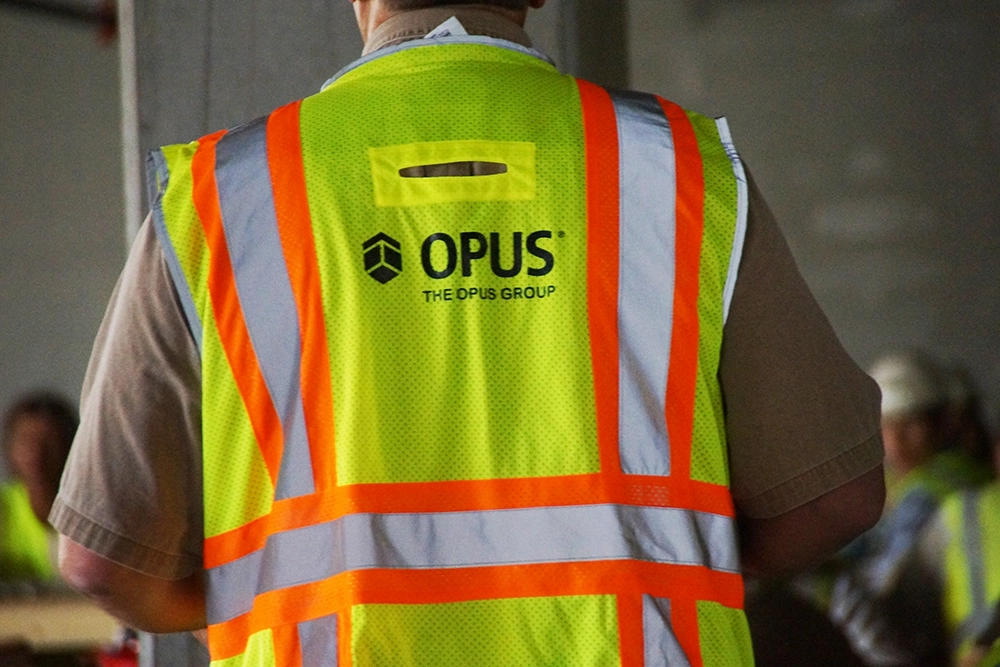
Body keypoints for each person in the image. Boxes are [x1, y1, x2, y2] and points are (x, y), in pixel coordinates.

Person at [51, 1, 885, 664]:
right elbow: (834, 492)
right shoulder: (682, 176)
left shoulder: (219, 203)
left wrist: (256, 603)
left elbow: (102, 558)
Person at [0, 391, 77, 582]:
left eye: (49, 442)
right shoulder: (4, 509)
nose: (37, 453)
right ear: (9, 448)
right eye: (26, 440)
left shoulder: (94, 510)